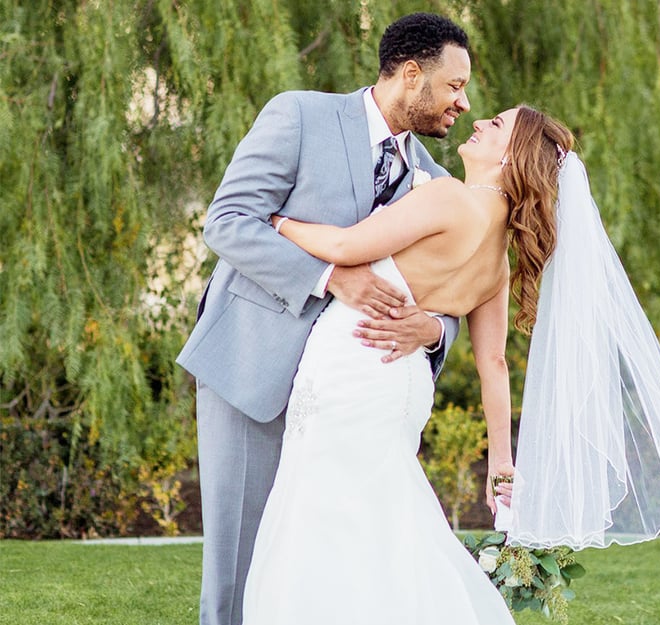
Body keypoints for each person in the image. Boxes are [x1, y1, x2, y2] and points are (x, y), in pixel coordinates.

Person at [244, 103, 660, 623]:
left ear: (511, 155)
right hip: (401, 383)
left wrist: (276, 220)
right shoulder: (499, 259)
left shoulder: (447, 197)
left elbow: (343, 245)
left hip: (354, 364)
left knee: (327, 509)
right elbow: (493, 363)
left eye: (497, 125)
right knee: (379, 510)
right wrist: (501, 461)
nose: (479, 123)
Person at [176, 13, 471, 625]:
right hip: (253, 367)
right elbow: (227, 221)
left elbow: (456, 287)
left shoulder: (436, 181)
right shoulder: (300, 115)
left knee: (322, 566)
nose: (463, 103)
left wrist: (436, 330)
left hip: (350, 398)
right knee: (239, 562)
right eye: (454, 86)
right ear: (411, 75)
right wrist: (330, 277)